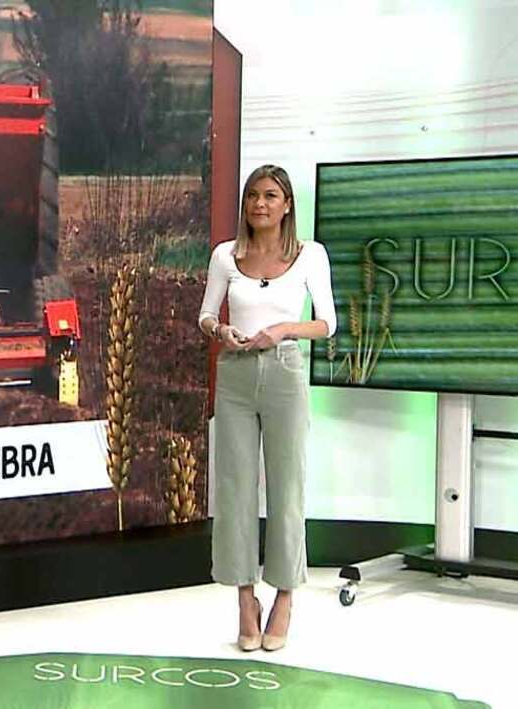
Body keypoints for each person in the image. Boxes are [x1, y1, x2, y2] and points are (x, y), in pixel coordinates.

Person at [198, 164, 337, 652]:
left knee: (287, 487)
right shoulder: (226, 256)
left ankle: (284, 597)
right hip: (235, 374)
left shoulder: (310, 255)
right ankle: (244, 600)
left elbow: (327, 324)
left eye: (271, 196)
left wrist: (282, 330)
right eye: (253, 195)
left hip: (284, 372)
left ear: (287, 205)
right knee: (234, 489)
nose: (260, 204)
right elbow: (206, 314)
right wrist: (221, 330)